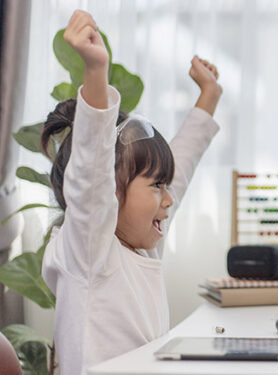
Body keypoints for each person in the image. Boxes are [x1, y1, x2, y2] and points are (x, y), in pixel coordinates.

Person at [40, 10, 223, 375]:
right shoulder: (90, 251)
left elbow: (182, 162)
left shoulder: (144, 244)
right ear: (110, 194)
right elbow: (91, 171)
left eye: (164, 185)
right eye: (157, 186)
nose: (168, 199)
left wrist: (210, 96)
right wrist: (95, 70)